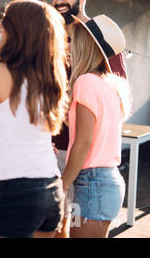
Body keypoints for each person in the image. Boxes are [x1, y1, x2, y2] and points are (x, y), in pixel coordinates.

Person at [0, 0, 69, 238]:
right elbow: (25, 128)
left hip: (16, 188)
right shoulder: (51, 75)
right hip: (52, 188)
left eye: (6, 21)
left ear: (18, 30)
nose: (1, 26)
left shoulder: (0, 72)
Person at [49, 0, 128, 237]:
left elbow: (113, 101)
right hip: (59, 151)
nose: (59, 0)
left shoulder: (101, 41)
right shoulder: (53, 41)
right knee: (58, 230)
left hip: (87, 162)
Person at [62, 14, 131, 238]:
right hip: (103, 183)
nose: (68, 46)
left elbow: (83, 143)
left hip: (93, 184)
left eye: (72, 40)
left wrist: (62, 186)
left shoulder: (85, 82)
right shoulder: (109, 84)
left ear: (86, 46)